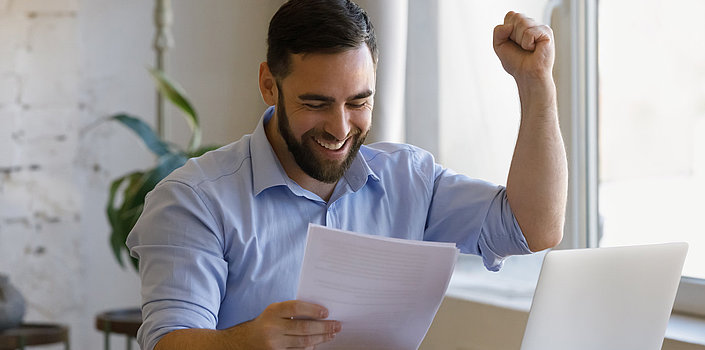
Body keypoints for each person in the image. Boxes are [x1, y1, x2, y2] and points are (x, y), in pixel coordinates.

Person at [126, 0, 567, 349]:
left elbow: (534, 228)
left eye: (358, 102)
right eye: (316, 103)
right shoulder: (192, 200)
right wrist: (245, 342)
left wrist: (535, 84)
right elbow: (171, 341)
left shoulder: (408, 179)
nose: (340, 129)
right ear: (268, 85)